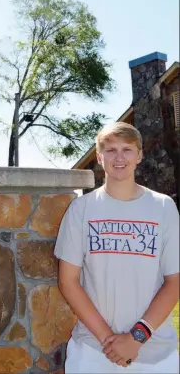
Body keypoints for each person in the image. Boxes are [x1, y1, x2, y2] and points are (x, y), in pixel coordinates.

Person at [54, 122, 179, 373]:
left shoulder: (164, 208)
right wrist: (110, 342)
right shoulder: (81, 209)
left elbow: (174, 282)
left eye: (127, 149)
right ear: (99, 157)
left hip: (155, 354)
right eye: (110, 150)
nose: (119, 157)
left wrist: (136, 338)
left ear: (139, 155)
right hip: (93, 352)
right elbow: (68, 281)